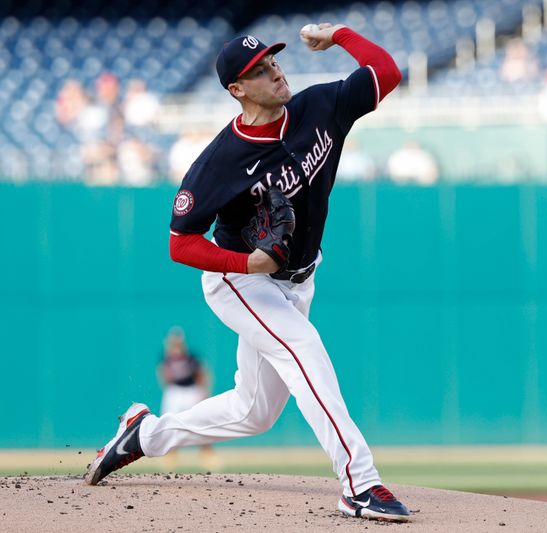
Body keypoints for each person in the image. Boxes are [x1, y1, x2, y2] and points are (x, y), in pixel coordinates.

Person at [85, 23, 410, 522]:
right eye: (259, 71)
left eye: (274, 61)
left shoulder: (321, 107)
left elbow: (385, 73)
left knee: (252, 412)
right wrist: (244, 263)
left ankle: (143, 435)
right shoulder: (219, 162)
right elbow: (180, 243)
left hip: (298, 277)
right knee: (304, 348)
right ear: (237, 90)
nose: (275, 71)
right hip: (241, 282)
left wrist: (341, 35)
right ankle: (359, 483)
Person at [157, 326, 214, 471]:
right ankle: (170, 455)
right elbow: (163, 374)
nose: (176, 344)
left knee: (200, 422)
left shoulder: (191, 357)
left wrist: (203, 391)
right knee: (169, 422)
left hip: (191, 390)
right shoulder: (166, 358)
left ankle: (207, 454)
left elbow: (202, 373)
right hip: (175, 391)